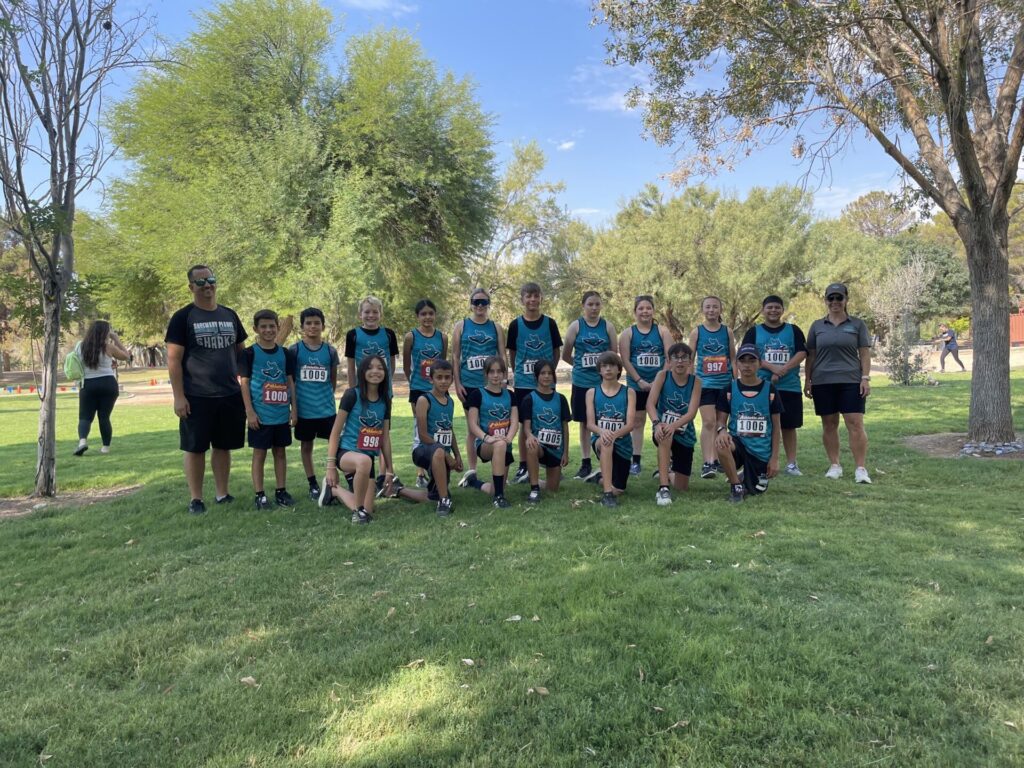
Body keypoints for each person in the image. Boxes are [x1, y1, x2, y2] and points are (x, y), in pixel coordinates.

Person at [166, 265, 248, 515]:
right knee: (195, 448)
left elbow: (242, 354)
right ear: (191, 287)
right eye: (200, 282)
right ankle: (196, 499)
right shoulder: (183, 317)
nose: (207, 285)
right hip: (196, 396)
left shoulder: (230, 315)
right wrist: (179, 397)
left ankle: (222, 494)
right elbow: (173, 360)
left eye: (210, 280)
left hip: (229, 394)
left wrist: (247, 387)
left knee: (223, 446)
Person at [804, 283, 873, 484]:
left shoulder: (857, 324)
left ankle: (860, 468)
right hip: (823, 381)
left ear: (846, 300)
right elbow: (811, 355)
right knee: (829, 424)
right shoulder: (817, 326)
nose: (835, 302)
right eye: (831, 298)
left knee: (855, 423)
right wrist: (808, 380)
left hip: (851, 380)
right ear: (825, 300)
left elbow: (864, 353)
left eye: (839, 298)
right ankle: (835, 465)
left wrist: (865, 378)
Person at [320, 355, 395, 524]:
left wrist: (389, 470)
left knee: (369, 508)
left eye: (380, 368)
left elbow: (384, 438)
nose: (375, 371)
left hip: (367, 459)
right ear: (362, 371)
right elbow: (335, 433)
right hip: (346, 453)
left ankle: (334, 490)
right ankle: (358, 512)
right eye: (370, 367)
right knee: (363, 461)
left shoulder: (385, 400)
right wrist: (330, 466)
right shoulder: (351, 395)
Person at [742, 295, 807, 476]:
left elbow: (802, 352)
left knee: (789, 426)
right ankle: (761, 462)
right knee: (762, 424)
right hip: (761, 386)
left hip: (790, 386)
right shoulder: (753, 332)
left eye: (777, 307)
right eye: (769, 307)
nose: (773, 310)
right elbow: (748, 355)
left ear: (782, 310)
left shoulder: (793, 330)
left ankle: (791, 463)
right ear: (763, 310)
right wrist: (773, 369)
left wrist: (783, 370)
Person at [240, 309, 298, 510]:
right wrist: (249, 411)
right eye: (263, 326)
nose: (268, 330)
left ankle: (281, 491)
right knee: (259, 454)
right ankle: (260, 495)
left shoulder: (285, 353)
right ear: (255, 329)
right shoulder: (249, 353)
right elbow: (244, 384)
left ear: (278, 327)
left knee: (280, 453)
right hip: (260, 416)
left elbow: (290, 383)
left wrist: (294, 409)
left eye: (272, 326)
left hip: (281, 414)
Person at [507, 282, 562, 484]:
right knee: (525, 424)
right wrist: (521, 372)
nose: (532, 299)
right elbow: (512, 353)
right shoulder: (515, 325)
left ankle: (552, 462)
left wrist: (548, 373)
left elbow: (556, 351)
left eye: (536, 295)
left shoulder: (550, 323)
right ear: (522, 299)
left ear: (541, 298)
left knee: (549, 422)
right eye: (528, 296)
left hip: (546, 383)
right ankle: (524, 465)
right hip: (523, 383)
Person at [715, 344, 782, 503]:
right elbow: (720, 421)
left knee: (756, 490)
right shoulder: (729, 390)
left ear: (760, 363)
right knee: (721, 443)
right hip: (738, 444)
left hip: (760, 452)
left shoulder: (770, 390)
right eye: (743, 361)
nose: (747, 365)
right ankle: (736, 487)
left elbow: (776, 427)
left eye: (752, 361)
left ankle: (745, 475)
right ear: (736, 364)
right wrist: (722, 431)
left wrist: (774, 459)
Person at [395, 359, 463, 516]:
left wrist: (457, 455)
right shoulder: (424, 400)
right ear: (431, 379)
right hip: (422, 450)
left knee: (433, 496)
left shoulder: (450, 401)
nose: (443, 381)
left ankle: (398, 489)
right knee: (438, 451)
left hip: (440, 455)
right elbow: (423, 435)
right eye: (439, 377)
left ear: (452, 379)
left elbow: (449, 430)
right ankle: (444, 502)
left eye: (447, 377)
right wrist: (447, 456)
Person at [452, 288, 506, 482]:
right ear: (471, 304)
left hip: (491, 386)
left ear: (488, 304)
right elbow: (455, 356)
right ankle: (472, 471)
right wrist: (457, 383)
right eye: (476, 302)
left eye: (484, 302)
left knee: (495, 426)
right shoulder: (461, 326)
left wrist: (504, 380)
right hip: (469, 384)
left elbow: (502, 354)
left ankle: (498, 469)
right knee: (472, 428)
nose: (480, 305)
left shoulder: (496, 327)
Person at [561, 291, 616, 482]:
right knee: (584, 423)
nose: (594, 308)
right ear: (583, 306)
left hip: (602, 384)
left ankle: (605, 459)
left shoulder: (608, 326)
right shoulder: (576, 326)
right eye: (590, 304)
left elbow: (613, 355)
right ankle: (586, 462)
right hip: (581, 382)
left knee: (603, 420)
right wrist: (580, 364)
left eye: (597, 304)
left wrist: (603, 370)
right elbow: (565, 354)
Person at [619, 295, 674, 477]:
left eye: (648, 308)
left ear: (653, 310)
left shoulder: (663, 331)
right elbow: (625, 360)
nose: (645, 311)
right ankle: (635, 461)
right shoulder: (627, 333)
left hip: (661, 384)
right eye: (641, 308)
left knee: (663, 421)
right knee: (637, 421)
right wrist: (639, 380)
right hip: (637, 385)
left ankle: (667, 460)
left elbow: (670, 357)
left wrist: (658, 380)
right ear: (635, 311)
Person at [290, 307, 340, 502]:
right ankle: (313, 484)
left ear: (323, 326)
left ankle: (333, 481)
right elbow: (291, 381)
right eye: (308, 323)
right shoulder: (294, 350)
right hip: (304, 411)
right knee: (306, 446)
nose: (313, 326)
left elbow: (332, 380)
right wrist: (294, 408)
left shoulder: (330, 351)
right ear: (302, 327)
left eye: (317, 323)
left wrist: (325, 397)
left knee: (334, 445)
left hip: (326, 409)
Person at [646, 343, 701, 506]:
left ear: (690, 361)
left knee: (682, 487)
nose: (680, 361)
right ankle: (663, 488)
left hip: (685, 434)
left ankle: (666, 472)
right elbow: (650, 404)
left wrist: (674, 425)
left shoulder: (696, 382)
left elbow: (692, 413)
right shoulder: (662, 376)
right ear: (669, 361)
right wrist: (657, 424)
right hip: (662, 428)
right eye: (676, 357)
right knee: (665, 434)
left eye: (684, 357)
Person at [689, 296, 737, 480]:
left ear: (720, 309)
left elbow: (732, 358)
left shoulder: (727, 332)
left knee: (720, 423)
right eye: (708, 307)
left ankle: (718, 459)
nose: (711, 310)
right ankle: (708, 462)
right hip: (705, 385)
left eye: (715, 307)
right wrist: (690, 382)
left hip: (724, 385)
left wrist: (736, 382)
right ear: (703, 310)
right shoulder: (697, 332)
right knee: (709, 422)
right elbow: (690, 359)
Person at [462, 356, 518, 508]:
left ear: (504, 373)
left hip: (504, 444)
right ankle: (499, 498)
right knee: (499, 444)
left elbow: (514, 421)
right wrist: (487, 438)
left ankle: (474, 482)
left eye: (499, 371)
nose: (495, 375)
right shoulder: (477, 394)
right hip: (485, 444)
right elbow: (472, 424)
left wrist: (509, 439)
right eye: (491, 371)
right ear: (485, 374)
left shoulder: (510, 395)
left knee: (494, 488)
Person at [403, 299, 448, 488]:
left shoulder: (442, 337)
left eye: (431, 313)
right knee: (419, 428)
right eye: (423, 314)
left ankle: (436, 463)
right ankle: (420, 472)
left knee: (436, 426)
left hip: (437, 391)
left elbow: (443, 364)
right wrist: (414, 382)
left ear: (435, 315)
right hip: (418, 389)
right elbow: (407, 365)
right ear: (417, 316)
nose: (427, 317)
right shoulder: (411, 337)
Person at [586, 351, 636, 508]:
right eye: (604, 366)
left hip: (623, 443)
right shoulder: (592, 393)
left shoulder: (629, 392)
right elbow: (590, 424)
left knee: (619, 489)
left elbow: (630, 425)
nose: (608, 369)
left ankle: (600, 477)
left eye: (612, 365)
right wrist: (604, 433)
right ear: (599, 370)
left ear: (619, 369)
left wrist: (613, 435)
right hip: (600, 440)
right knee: (606, 442)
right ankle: (607, 495)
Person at [73, 320, 130, 456]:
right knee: (104, 417)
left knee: (85, 417)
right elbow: (126, 356)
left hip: (88, 384)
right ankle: (105, 448)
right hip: (108, 384)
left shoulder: (80, 346)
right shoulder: (109, 347)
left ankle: (82, 442)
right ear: (105, 333)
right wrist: (116, 338)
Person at [519, 359, 572, 503]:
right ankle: (534, 488)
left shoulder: (561, 399)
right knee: (531, 445)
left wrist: (565, 452)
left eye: (549, 373)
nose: (546, 376)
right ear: (536, 376)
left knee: (552, 489)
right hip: (539, 447)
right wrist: (530, 436)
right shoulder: (529, 399)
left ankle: (532, 477)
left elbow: (565, 427)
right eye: (543, 373)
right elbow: (526, 427)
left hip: (555, 449)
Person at [345, 296, 400, 400]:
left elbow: (392, 363)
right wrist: (353, 391)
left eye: (375, 312)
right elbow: (350, 367)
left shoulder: (389, 334)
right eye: (367, 312)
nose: (371, 315)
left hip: (384, 391)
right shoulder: (352, 335)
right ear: (360, 315)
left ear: (381, 314)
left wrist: (385, 381)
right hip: (361, 389)